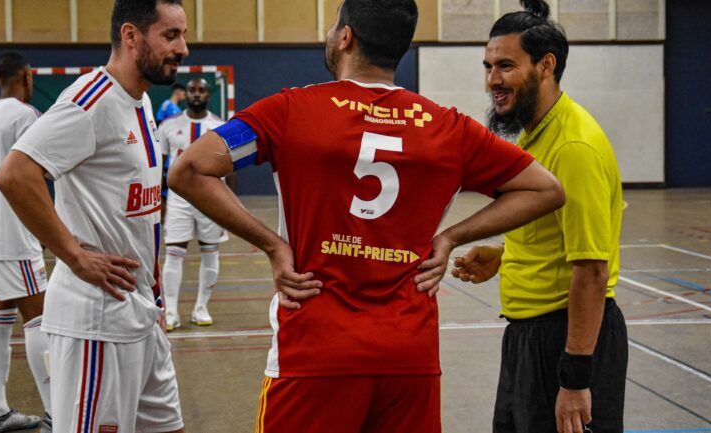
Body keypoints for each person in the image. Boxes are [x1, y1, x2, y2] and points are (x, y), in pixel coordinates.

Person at [169, 0, 565, 431]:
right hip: (409, 355)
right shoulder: (449, 127)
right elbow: (546, 189)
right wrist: (451, 236)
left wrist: (273, 245)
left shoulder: (289, 111)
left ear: (346, 37)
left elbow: (189, 169)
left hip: (314, 351)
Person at [0, 1, 189, 432]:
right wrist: (74, 255)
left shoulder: (141, 105)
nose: (184, 49)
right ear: (131, 36)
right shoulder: (92, 100)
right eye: (171, 35)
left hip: (142, 316)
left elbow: (139, 218)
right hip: (96, 325)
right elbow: (15, 174)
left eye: (184, 35)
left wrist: (155, 296)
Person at [453, 1, 627, 432]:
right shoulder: (536, 135)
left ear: (546, 65)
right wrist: (504, 254)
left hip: (567, 338)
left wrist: (575, 379)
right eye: (488, 66)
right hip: (528, 336)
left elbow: (591, 270)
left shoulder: (573, 147)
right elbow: (557, 232)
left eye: (506, 66)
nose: (493, 79)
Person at [0, 51, 51, 433]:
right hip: (14, 233)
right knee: (39, 321)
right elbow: (33, 177)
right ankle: (57, 413)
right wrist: (46, 228)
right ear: (27, 76)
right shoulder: (26, 116)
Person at [158, 77, 233, 329]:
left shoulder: (220, 126)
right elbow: (160, 168)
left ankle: (201, 308)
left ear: (208, 96)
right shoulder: (168, 125)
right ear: (185, 94)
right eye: (192, 90)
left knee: (210, 252)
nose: (197, 94)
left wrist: (229, 204)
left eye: (202, 90)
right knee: (173, 254)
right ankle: (170, 313)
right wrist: (161, 203)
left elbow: (231, 168)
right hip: (178, 200)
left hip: (212, 200)